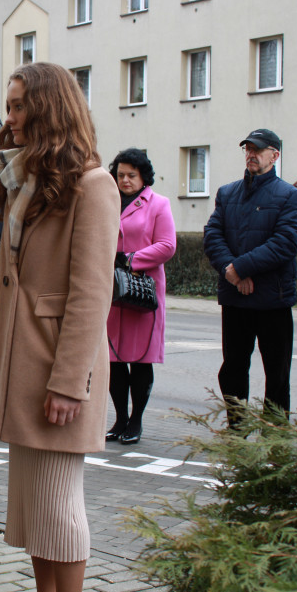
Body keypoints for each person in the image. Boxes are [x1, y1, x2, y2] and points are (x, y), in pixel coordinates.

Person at [0, 62, 119, 592]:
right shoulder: (27, 181)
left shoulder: (93, 184)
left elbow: (91, 296)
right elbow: (2, 287)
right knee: (33, 504)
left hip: (57, 367)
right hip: (19, 363)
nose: (8, 119)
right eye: (8, 107)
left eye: (18, 106)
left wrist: (68, 383)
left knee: (58, 503)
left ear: (49, 108)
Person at [203, 129, 297, 425]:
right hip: (235, 299)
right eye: (248, 149)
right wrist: (232, 273)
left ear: (275, 156)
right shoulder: (227, 192)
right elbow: (213, 236)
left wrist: (242, 268)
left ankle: (275, 435)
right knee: (233, 368)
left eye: (258, 150)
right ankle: (237, 429)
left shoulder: (289, 195)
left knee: (277, 373)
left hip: (273, 299)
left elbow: (285, 243)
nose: (251, 154)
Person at [105, 149, 176, 445]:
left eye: (131, 175)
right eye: (120, 175)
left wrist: (130, 258)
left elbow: (167, 245)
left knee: (140, 359)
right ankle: (119, 419)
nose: (125, 180)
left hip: (141, 291)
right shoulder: (106, 202)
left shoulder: (158, 204)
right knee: (113, 359)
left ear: (143, 176)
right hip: (110, 291)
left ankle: (136, 421)